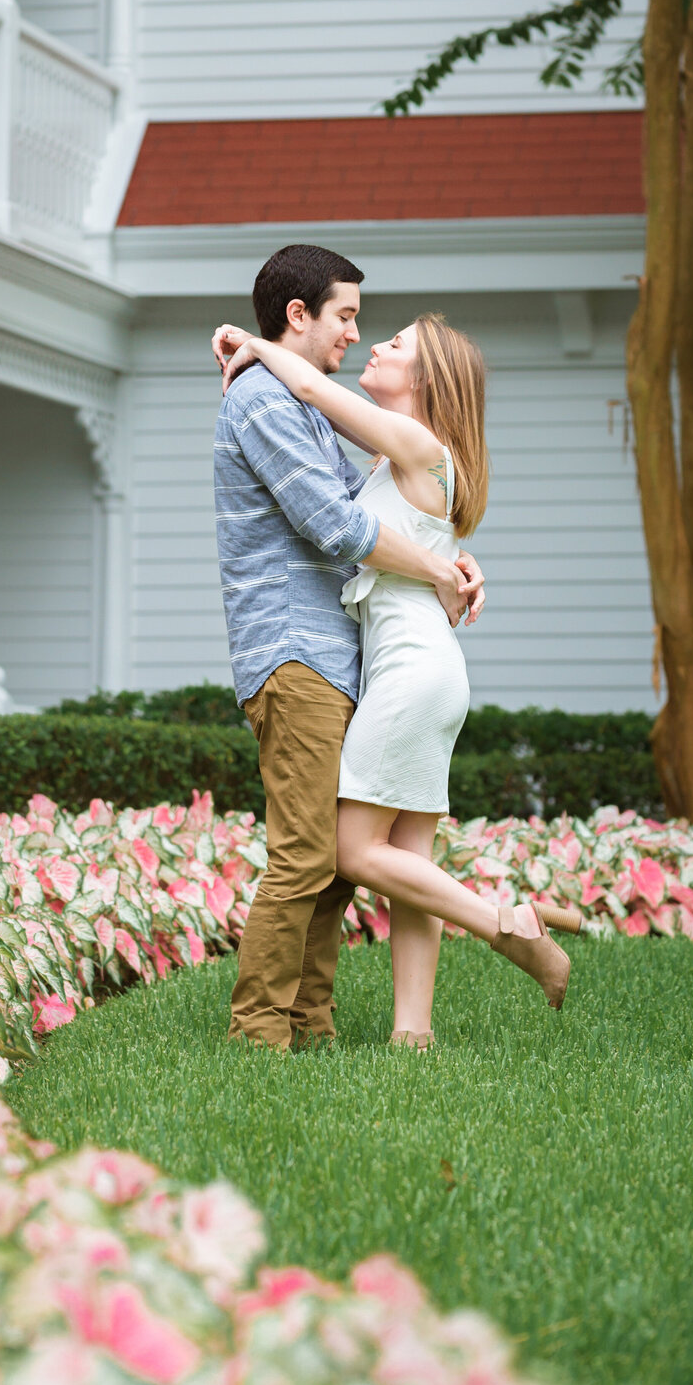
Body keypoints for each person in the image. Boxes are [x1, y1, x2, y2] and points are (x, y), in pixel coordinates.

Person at [219, 307, 573, 1046]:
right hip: (422, 671)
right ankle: (414, 1034)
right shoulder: (401, 459)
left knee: (351, 852)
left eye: (397, 343)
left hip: (412, 672)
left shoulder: (416, 442)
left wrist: (255, 345)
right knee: (409, 860)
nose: (374, 344)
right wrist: (457, 567)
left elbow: (314, 394)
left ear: (427, 377)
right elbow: (394, 534)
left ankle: (508, 926)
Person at [212, 244, 487, 1053]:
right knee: (305, 853)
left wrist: (452, 556)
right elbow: (338, 527)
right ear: (299, 315)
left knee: (332, 866)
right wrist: (440, 565)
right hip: (292, 652)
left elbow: (378, 509)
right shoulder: (264, 398)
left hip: (336, 655)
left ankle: (311, 1024)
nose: (355, 334)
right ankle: (258, 1033)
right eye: (345, 316)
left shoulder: (308, 407)